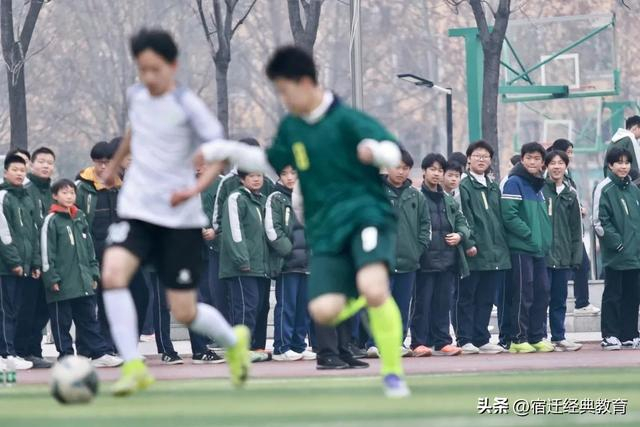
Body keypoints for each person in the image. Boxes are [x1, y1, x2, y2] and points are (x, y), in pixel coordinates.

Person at [213, 45, 408, 397]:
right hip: (327, 232)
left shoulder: (346, 119)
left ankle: (393, 373)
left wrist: (374, 152)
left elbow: (391, 150)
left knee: (375, 287)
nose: (283, 99)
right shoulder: (292, 128)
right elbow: (268, 160)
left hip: (365, 216)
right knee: (323, 311)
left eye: (284, 91)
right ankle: (357, 293)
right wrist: (222, 151)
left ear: (305, 83)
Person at [99, 28, 251, 396]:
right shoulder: (137, 96)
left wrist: (195, 189)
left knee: (184, 311)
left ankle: (233, 342)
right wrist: (114, 165)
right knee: (113, 275)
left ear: (173, 66)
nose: (148, 77)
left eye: (156, 69)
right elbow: (133, 132)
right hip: (137, 209)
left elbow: (221, 154)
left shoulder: (188, 106)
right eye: (142, 69)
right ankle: (133, 366)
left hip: (179, 219)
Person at [76, 141, 149, 356]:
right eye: (100, 163)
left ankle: (128, 345)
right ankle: (105, 348)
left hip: (125, 254)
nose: (104, 167)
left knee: (141, 295)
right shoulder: (82, 188)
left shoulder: (123, 186)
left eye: (108, 163)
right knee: (103, 303)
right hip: (96, 256)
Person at [41, 179, 123, 367]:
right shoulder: (51, 220)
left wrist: (94, 273)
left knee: (89, 320)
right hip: (61, 283)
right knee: (62, 323)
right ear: (55, 196)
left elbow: (89, 249)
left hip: (83, 282)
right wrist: (52, 278)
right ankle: (66, 356)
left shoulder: (80, 218)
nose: (69, 196)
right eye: (64, 193)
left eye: (72, 192)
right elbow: (46, 252)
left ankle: (99, 353)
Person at [366, 149, 430, 358]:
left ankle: (397, 342)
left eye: (405, 168)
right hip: (381, 261)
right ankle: (374, 343)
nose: (401, 172)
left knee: (402, 306)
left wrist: (417, 250)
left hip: (408, 261)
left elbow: (425, 226)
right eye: (397, 167)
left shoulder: (416, 195)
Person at [211, 137, 275, 331]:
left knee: (260, 306)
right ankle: (241, 344)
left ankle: (257, 344)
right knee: (242, 305)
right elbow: (218, 221)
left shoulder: (266, 183)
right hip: (238, 260)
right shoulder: (229, 185)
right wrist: (232, 250)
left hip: (261, 261)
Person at [410, 154, 468, 358]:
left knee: (443, 304)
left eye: (440, 170)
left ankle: (442, 341)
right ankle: (418, 342)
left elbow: (462, 222)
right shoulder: (416, 197)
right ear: (424, 171)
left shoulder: (448, 200)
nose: (436, 174)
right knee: (422, 304)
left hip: (448, 260)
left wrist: (460, 235)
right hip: (424, 261)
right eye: (432, 169)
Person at [455, 140, 510, 355]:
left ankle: (481, 338)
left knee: (486, 298)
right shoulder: (464, 185)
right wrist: (470, 242)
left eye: (485, 156)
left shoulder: (493, 186)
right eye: (477, 155)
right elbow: (462, 216)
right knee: (467, 297)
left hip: (495, 252)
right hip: (474, 251)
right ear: (469, 159)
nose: (481, 159)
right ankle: (464, 338)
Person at [501, 142, 553, 353]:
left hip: (538, 249)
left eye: (537, 159)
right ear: (522, 160)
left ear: (542, 163)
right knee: (524, 293)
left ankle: (536, 336)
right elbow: (509, 215)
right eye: (529, 158)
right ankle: (517, 338)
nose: (533, 162)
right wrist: (529, 235)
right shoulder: (514, 182)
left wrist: (543, 239)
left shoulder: (537, 185)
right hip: (521, 249)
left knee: (542, 292)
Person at [219, 170, 271, 361]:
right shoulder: (236, 198)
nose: (256, 179)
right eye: (251, 176)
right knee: (245, 307)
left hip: (260, 266)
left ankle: (254, 347)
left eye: (259, 175)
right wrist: (242, 259)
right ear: (242, 179)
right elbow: (234, 231)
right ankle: (240, 349)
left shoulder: (262, 199)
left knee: (259, 307)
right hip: (242, 266)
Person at [265, 165, 315, 361]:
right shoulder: (275, 198)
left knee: (303, 308)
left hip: (307, 263)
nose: (290, 177)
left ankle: (298, 345)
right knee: (287, 306)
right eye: (285, 174)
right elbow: (272, 229)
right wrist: (288, 251)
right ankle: (281, 347)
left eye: (293, 173)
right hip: (287, 264)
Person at [593, 146, 640, 350]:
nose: (624, 166)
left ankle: (629, 334)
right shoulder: (604, 188)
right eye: (619, 162)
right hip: (616, 254)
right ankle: (610, 335)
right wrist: (617, 244)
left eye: (627, 162)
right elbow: (599, 222)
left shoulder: (634, 189)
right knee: (613, 295)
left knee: (633, 295)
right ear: (610, 165)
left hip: (635, 254)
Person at [15, 147, 56, 368]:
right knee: (27, 308)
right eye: (41, 161)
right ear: (32, 164)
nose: (45, 166)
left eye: (49, 162)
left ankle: (34, 350)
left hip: (50, 262)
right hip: (32, 262)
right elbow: (28, 230)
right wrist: (33, 261)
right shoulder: (25, 190)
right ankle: (22, 351)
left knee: (44, 309)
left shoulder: (54, 192)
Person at [549, 138, 600, 316]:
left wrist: (579, 209)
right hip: (558, 234)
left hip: (572, 232)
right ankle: (580, 302)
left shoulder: (568, 177)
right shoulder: (549, 180)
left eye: (571, 152)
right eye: (568, 152)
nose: (570, 156)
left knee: (583, 264)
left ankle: (582, 302)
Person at [0, 154, 40, 370]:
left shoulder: (26, 198)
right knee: (6, 311)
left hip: (24, 267)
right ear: (5, 172)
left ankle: (10, 352)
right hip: (6, 268)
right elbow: (3, 234)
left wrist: (34, 263)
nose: (19, 173)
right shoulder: (3, 196)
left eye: (22, 170)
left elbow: (33, 233)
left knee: (16, 310)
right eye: (14, 169)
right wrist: (14, 261)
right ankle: (6, 353)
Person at [542, 151, 583, 351]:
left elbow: (576, 228)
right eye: (552, 163)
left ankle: (559, 336)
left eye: (560, 163)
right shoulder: (539, 190)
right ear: (546, 166)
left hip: (563, 255)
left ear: (566, 166)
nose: (556, 167)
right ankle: (540, 336)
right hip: (543, 256)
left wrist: (576, 256)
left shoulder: (570, 194)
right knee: (542, 298)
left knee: (559, 299)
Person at [605, 115, 640, 181]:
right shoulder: (629, 139)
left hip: (611, 179)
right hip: (625, 181)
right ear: (635, 127)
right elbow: (635, 167)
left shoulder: (617, 139)